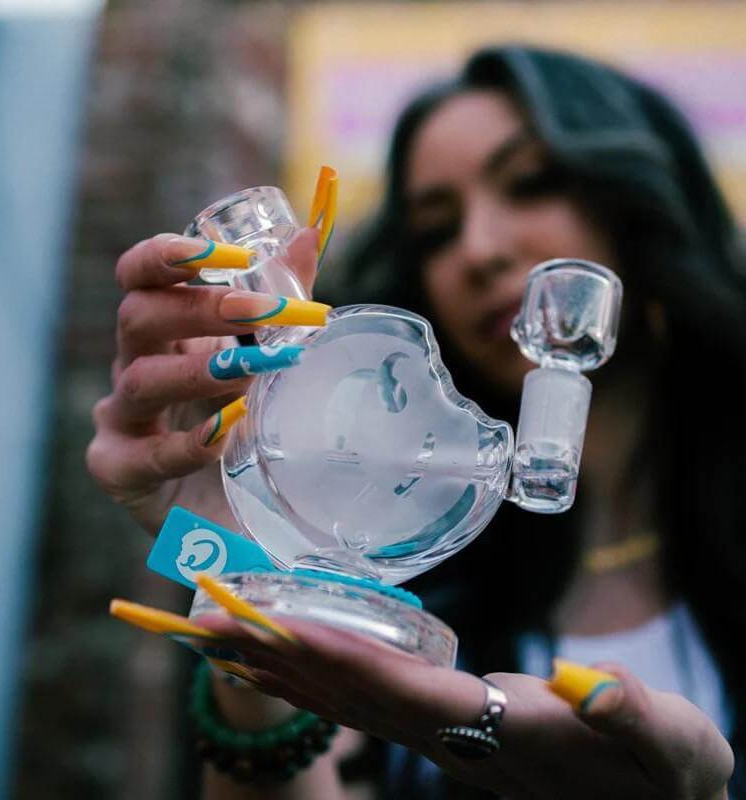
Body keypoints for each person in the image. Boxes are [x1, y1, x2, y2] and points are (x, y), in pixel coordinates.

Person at [87, 44, 746, 798]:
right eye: (436, 228)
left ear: (642, 202)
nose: (479, 250)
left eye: (531, 185)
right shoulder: (425, 562)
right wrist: (247, 575)